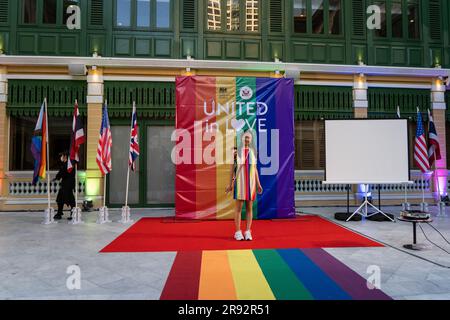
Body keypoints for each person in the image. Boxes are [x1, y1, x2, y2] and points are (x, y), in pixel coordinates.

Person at [226, 131, 263, 241]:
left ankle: (247, 231)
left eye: (249, 137)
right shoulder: (236, 152)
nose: (247, 139)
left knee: (249, 208)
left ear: (251, 140)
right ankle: (238, 231)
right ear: (242, 138)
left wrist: (258, 184)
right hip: (240, 183)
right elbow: (232, 169)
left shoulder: (253, 153)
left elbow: (255, 169)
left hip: (250, 184)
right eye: (245, 137)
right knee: (238, 208)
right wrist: (230, 184)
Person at [53, 151, 76, 220]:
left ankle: (72, 214)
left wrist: (58, 177)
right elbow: (61, 172)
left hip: (68, 185)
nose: (61, 157)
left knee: (70, 199)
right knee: (60, 199)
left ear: (65, 156)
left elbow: (63, 173)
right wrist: (57, 177)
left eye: (62, 155)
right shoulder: (65, 164)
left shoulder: (69, 165)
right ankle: (60, 213)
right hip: (65, 184)